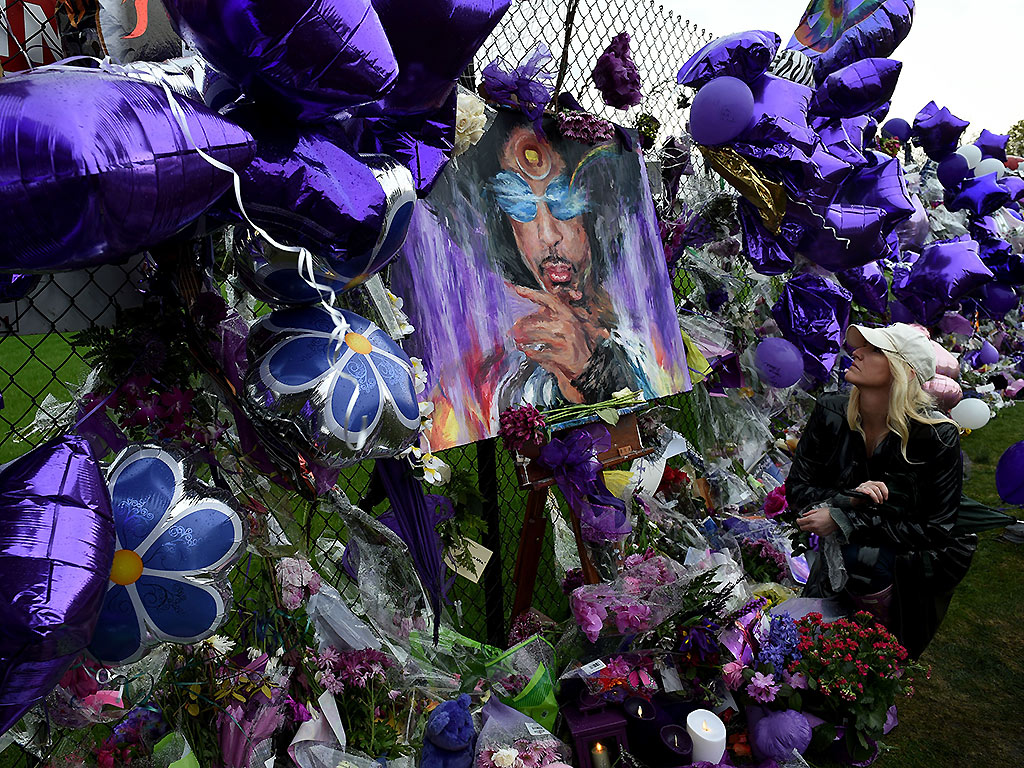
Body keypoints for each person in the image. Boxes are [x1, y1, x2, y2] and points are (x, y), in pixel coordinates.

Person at [786, 323, 976, 658]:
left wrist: (848, 516)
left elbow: (935, 529)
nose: (856, 353)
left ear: (904, 370)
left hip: (901, 571)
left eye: (874, 350)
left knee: (869, 656)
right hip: (837, 558)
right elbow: (799, 489)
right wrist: (847, 499)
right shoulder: (831, 411)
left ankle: (880, 652)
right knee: (814, 652)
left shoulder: (935, 437)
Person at [480, 124, 653, 409]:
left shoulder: (641, 324)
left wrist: (589, 367)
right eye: (519, 204)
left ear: (595, 210)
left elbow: (647, 392)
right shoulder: (496, 361)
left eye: (565, 200)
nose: (548, 235)